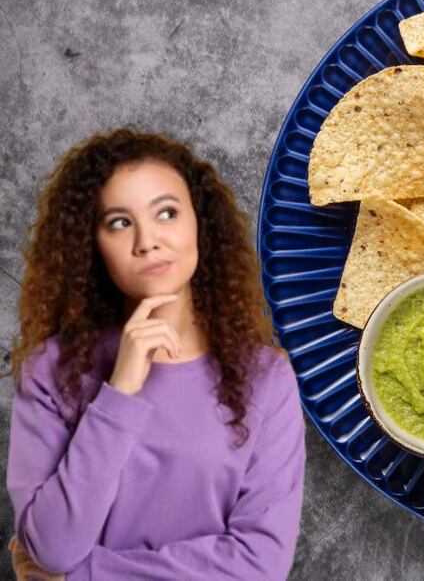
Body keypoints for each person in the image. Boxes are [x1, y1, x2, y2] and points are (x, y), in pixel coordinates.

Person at [5, 128, 305, 580]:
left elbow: (260, 567)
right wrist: (119, 391)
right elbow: (53, 548)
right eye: (119, 222)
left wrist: (84, 576)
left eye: (166, 213)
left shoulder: (266, 378)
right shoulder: (50, 371)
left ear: (199, 223)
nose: (147, 240)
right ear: (92, 244)